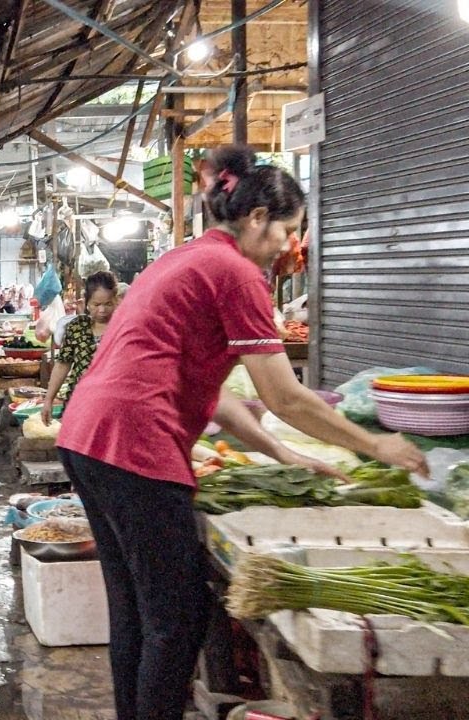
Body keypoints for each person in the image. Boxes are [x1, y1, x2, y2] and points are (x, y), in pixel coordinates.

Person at [55, 145, 428, 720]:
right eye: (287, 230)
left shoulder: (187, 259)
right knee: (178, 620)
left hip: (88, 437)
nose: (288, 245)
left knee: (136, 611)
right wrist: (377, 443)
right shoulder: (237, 274)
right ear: (257, 219)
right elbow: (283, 396)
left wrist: (279, 451)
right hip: (134, 446)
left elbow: (216, 397)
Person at [42, 271, 117, 423]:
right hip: (79, 407)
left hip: (114, 411)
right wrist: (48, 400)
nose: (102, 310)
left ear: (116, 301)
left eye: (108, 304)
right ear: (87, 303)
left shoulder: (123, 328)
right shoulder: (77, 327)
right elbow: (63, 364)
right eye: (96, 304)